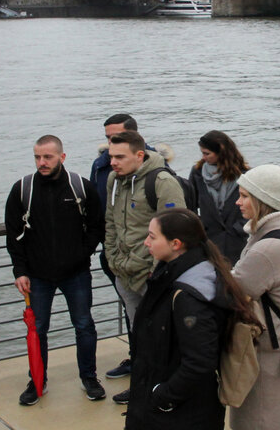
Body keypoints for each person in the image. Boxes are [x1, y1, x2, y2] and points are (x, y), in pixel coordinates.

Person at [125, 209, 254, 430]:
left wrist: (163, 396)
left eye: (152, 236)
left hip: (179, 414)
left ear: (176, 244)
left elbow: (200, 361)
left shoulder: (190, 296)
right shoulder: (183, 274)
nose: (146, 242)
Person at [5, 136, 105, 405]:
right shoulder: (22, 189)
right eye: (37, 157)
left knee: (84, 325)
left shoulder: (80, 187)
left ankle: (89, 377)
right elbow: (13, 235)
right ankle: (37, 380)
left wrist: (81, 254)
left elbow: (97, 225)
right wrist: (20, 271)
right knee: (37, 328)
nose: (41, 162)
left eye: (47, 157)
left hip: (76, 273)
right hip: (37, 275)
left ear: (62, 157)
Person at [104, 130, 187, 404]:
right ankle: (141, 385)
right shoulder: (113, 180)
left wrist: (153, 270)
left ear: (139, 155)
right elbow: (111, 223)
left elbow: (177, 231)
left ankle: (162, 388)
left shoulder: (163, 183)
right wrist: (114, 260)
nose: (112, 162)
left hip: (152, 277)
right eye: (110, 155)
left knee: (161, 337)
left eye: (119, 157)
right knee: (138, 335)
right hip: (124, 275)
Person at [229, 165, 280, 430]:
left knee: (261, 419)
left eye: (245, 195)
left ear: (264, 201)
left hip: (268, 350)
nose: (238, 202)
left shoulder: (268, 247)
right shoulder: (276, 234)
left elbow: (235, 291)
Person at [90, 113, 142, 381]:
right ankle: (137, 358)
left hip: (145, 258)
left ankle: (149, 365)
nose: (110, 143)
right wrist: (108, 252)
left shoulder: (154, 166)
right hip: (113, 255)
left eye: (115, 137)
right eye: (107, 137)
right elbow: (99, 211)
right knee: (130, 308)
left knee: (150, 313)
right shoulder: (100, 166)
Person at [189, 130, 250, 263]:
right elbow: (190, 204)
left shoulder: (246, 175)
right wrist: (200, 228)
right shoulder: (197, 173)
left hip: (237, 241)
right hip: (208, 241)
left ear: (221, 153)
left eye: (207, 153)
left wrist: (240, 228)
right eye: (202, 153)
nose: (204, 157)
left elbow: (255, 207)